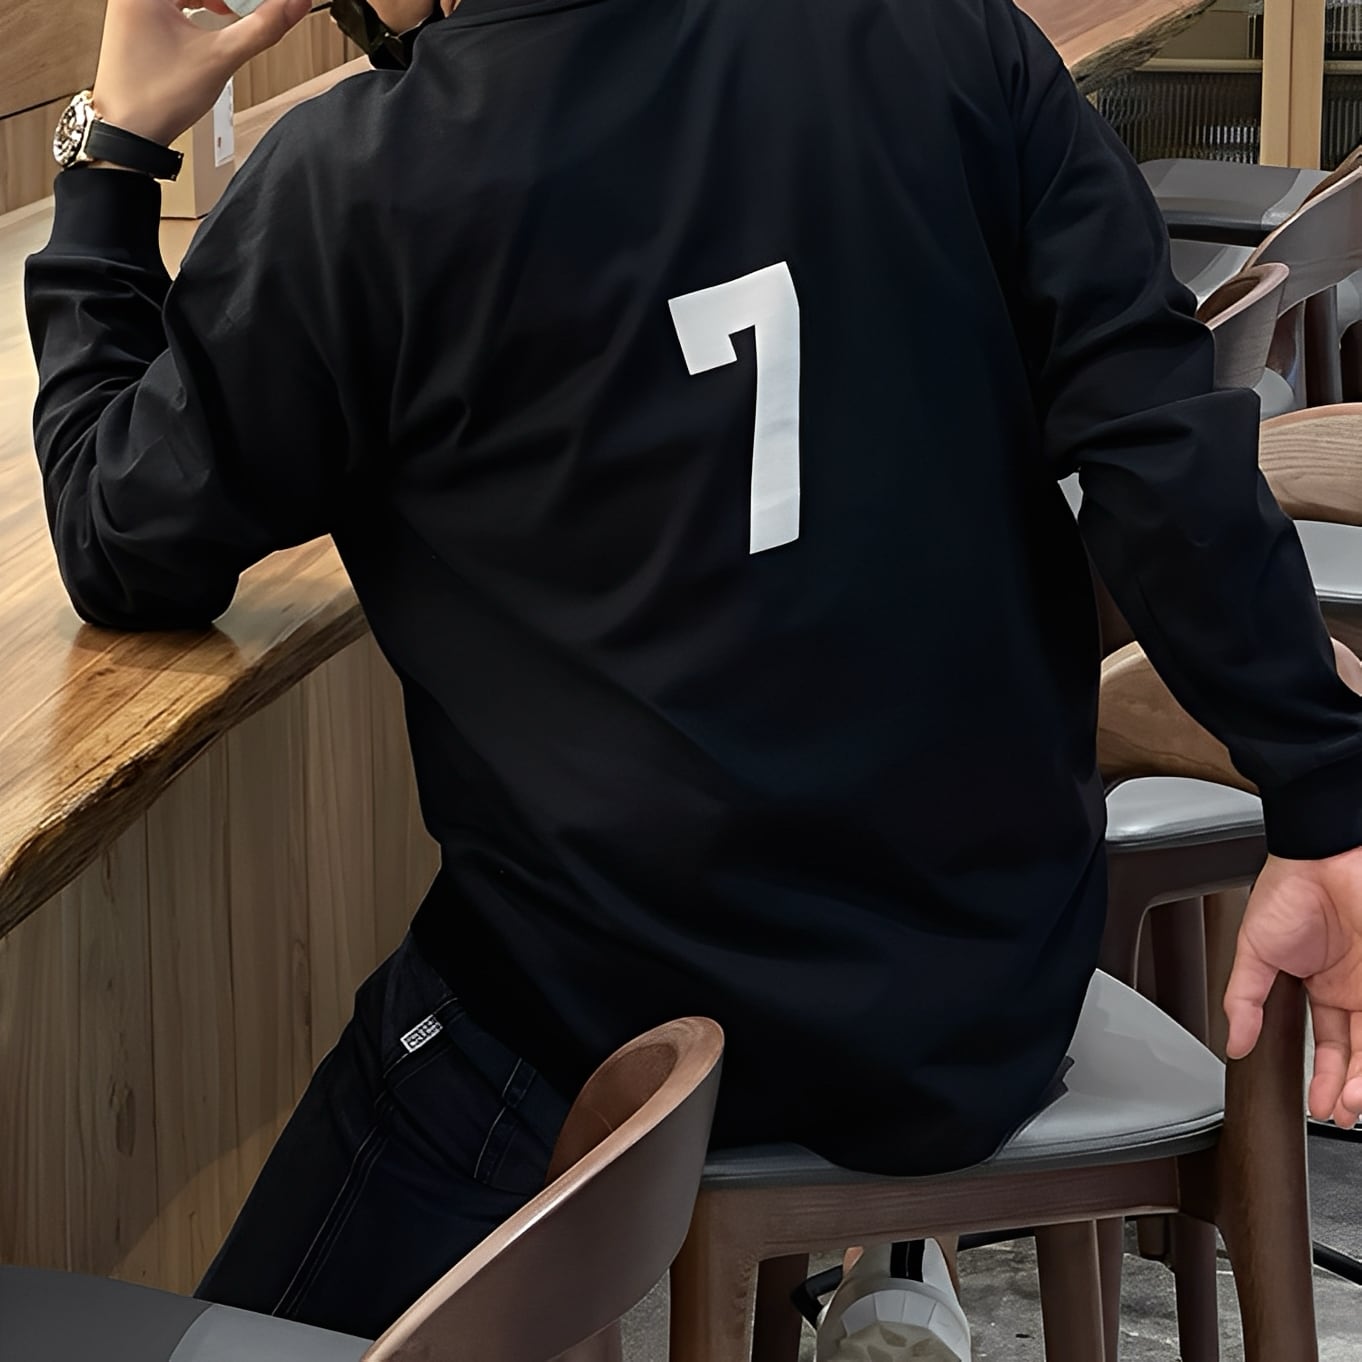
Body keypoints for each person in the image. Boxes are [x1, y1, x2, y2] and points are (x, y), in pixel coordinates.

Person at [23, 0, 1362, 1356]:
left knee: (279, 1265)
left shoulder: (359, 181)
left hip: (601, 1018)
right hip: (982, 999)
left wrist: (114, 151)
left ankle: (847, 1258)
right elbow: (1161, 453)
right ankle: (899, 1256)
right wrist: (1324, 797)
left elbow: (123, 541)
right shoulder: (947, 33)